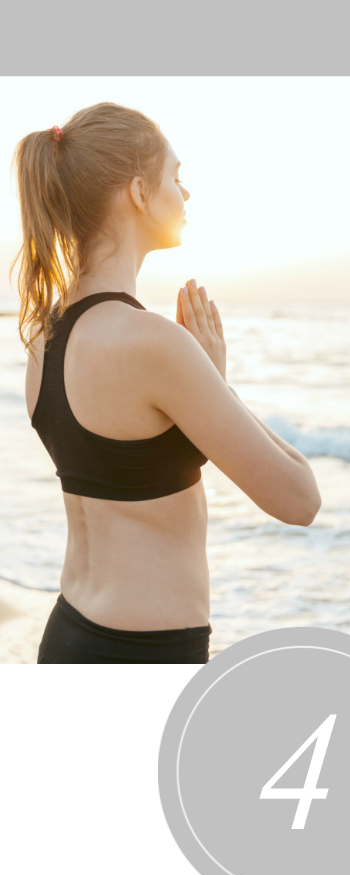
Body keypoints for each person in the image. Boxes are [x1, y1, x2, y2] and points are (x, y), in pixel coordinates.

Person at [11, 102, 321, 663]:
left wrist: (202, 382)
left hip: (67, 635)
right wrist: (215, 382)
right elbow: (299, 500)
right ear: (137, 193)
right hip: (145, 654)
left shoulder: (44, 337)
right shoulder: (154, 345)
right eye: (175, 178)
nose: (186, 194)